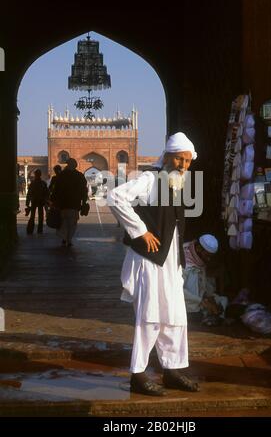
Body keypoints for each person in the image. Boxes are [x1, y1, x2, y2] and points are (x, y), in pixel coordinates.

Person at [107, 132, 201, 396]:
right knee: (149, 317)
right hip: (149, 261)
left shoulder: (180, 183)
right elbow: (115, 197)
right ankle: (138, 375)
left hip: (171, 262)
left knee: (175, 317)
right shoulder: (150, 179)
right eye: (179, 160)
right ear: (168, 157)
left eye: (187, 161)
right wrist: (140, 231)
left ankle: (172, 370)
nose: (183, 166)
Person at [183, 234, 227, 323]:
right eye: (207, 255)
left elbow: (202, 285)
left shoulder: (199, 259)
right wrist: (202, 301)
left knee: (223, 300)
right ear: (199, 248)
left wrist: (209, 298)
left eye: (210, 256)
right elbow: (177, 290)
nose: (208, 259)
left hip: (199, 301)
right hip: (185, 304)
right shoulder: (183, 259)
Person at [51, 158, 88, 247]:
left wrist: (54, 201)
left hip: (63, 203)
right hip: (74, 204)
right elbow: (84, 190)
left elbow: (56, 190)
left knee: (64, 222)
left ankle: (64, 238)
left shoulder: (61, 175)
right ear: (75, 166)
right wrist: (84, 201)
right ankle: (69, 240)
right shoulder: (79, 176)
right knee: (72, 223)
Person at [25, 169, 49, 234]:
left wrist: (27, 202)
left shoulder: (32, 183)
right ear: (40, 175)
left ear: (35, 175)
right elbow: (46, 193)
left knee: (32, 216)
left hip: (34, 201)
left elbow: (29, 193)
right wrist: (47, 202)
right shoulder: (43, 183)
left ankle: (30, 230)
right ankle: (40, 230)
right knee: (41, 216)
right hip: (41, 201)